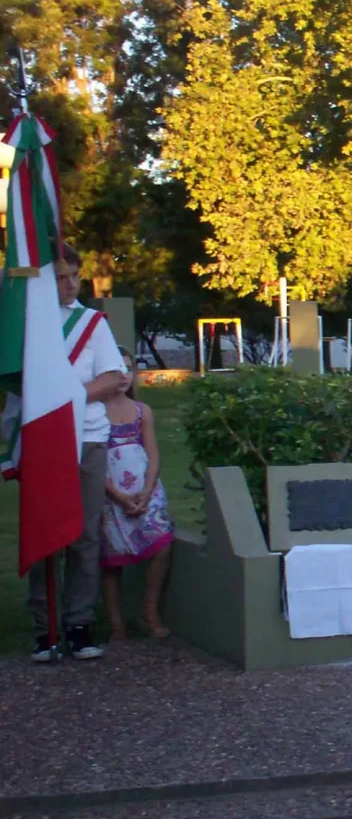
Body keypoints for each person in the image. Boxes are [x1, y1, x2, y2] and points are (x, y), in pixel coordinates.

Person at [29, 244, 127, 662]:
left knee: (84, 534)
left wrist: (62, 399)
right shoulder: (28, 326)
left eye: (74, 276)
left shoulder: (92, 324)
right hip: (42, 441)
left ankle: (79, 623)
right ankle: (43, 626)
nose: (70, 284)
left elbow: (112, 379)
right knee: (44, 535)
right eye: (60, 277)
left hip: (87, 438)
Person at [100, 347, 174, 639]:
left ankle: (149, 612)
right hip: (110, 494)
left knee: (162, 545)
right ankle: (116, 625)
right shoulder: (92, 413)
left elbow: (153, 453)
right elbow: (89, 461)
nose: (122, 376)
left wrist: (147, 489)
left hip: (145, 491)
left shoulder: (142, 411)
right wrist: (117, 495)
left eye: (128, 369)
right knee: (111, 561)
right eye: (116, 370)